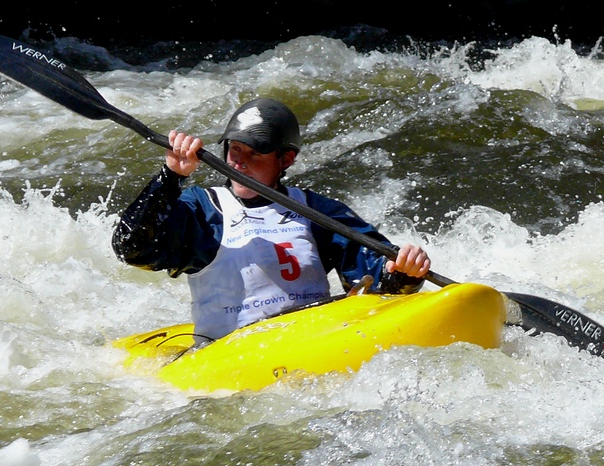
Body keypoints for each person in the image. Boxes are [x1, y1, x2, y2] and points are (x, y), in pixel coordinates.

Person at [112, 97, 431, 343]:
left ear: (286, 158)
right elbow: (131, 248)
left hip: (310, 337)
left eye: (255, 154)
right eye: (235, 150)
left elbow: (379, 285)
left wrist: (405, 273)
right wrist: (170, 177)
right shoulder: (202, 210)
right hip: (229, 349)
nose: (239, 163)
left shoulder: (316, 212)